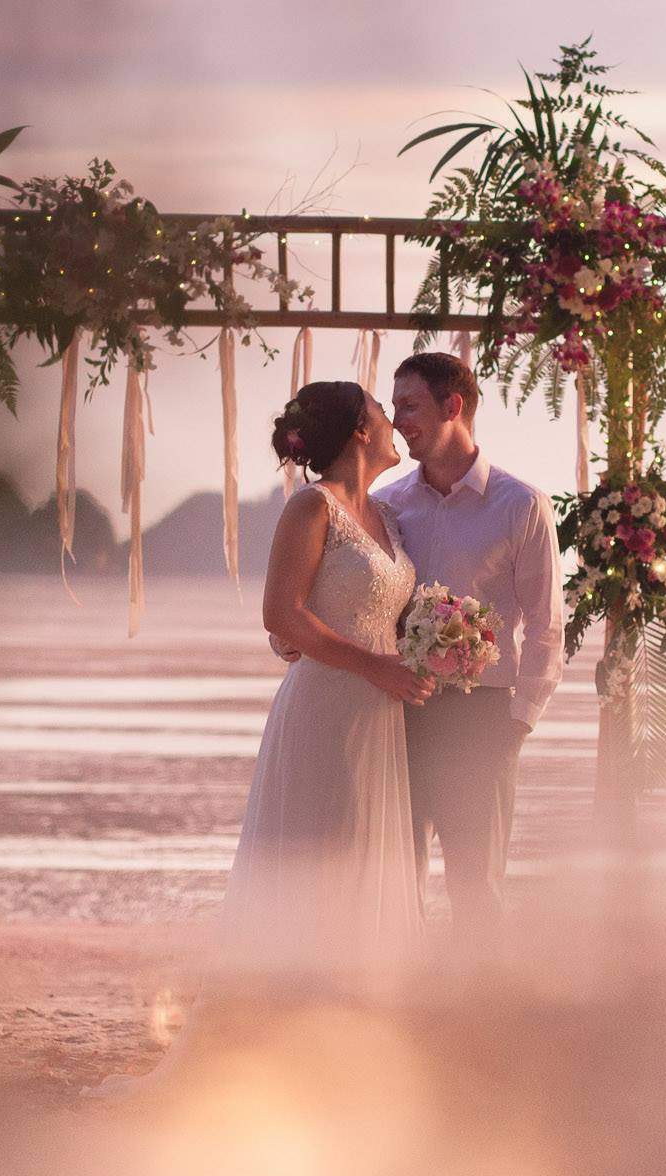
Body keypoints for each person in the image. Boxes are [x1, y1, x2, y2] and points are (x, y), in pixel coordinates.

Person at [87, 380, 428, 1097]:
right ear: (359, 431)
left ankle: (354, 1039)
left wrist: (436, 649)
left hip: (380, 719)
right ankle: (287, 1048)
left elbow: (376, 610)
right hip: (327, 713)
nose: (394, 421)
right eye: (381, 410)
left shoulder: (388, 518)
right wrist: (373, 663)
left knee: (365, 865)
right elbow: (281, 616)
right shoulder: (314, 507)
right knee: (316, 866)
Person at [277, 352, 563, 950]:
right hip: (392, 711)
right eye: (393, 407)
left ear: (452, 406)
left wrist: (518, 721)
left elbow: (546, 626)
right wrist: (294, 633)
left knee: (475, 881)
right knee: (392, 874)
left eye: (410, 405)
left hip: (482, 716)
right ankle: (406, 1000)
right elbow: (341, 586)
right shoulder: (389, 507)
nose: (400, 419)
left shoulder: (521, 505)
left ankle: (478, 1014)